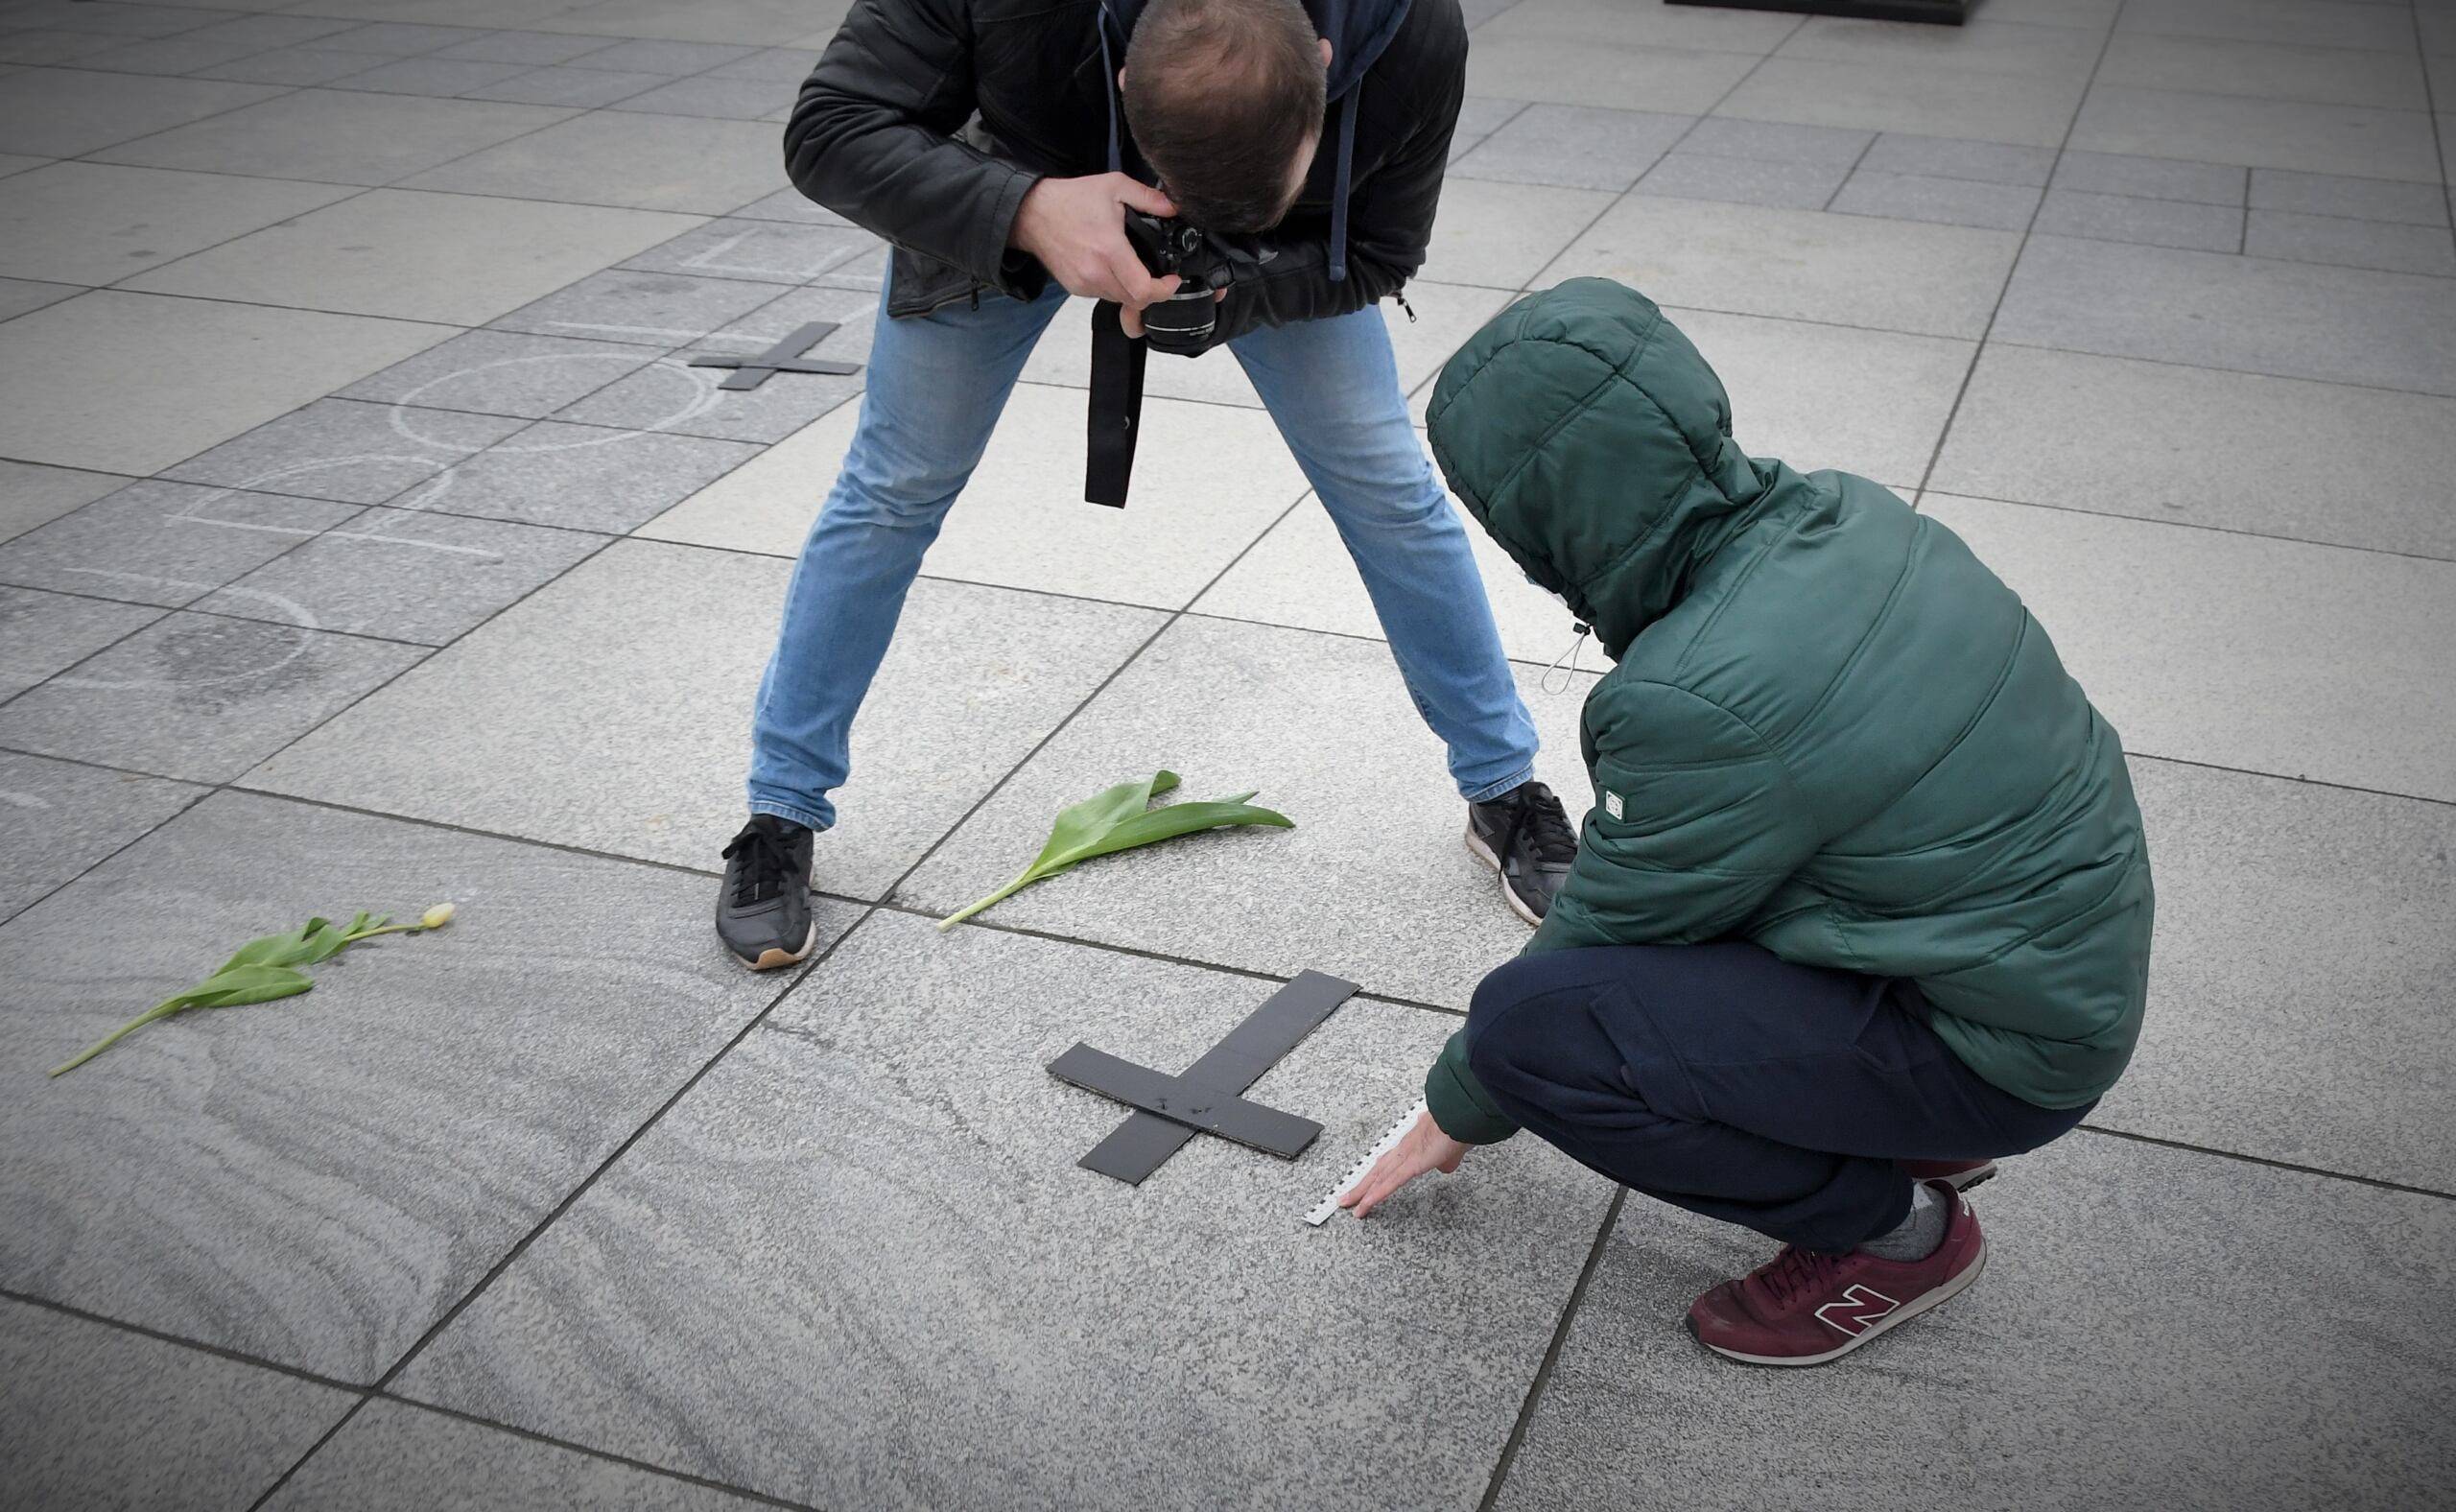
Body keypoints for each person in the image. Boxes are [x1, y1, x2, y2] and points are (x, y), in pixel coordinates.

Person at [1341, 279, 2155, 1368]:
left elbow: (1612, 928)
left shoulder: (1691, 695)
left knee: (1532, 1031)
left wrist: (1458, 1101)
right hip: (2052, 974)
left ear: (1541, 523)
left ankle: (1895, 1234)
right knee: (1672, 947)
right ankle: (1896, 1127)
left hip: (1997, 1050)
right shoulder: (1849, 509)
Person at [717, 0, 1577, 967]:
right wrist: (1027, 206)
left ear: (1326, 69)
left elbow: (1378, 250)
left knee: (1388, 490)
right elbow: (828, 128)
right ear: (1125, 77)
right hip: (1005, 177)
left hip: (1272, 254)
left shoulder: (1407, 27)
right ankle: (779, 811)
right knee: (892, 490)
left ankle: (1505, 787)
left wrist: (1242, 287)